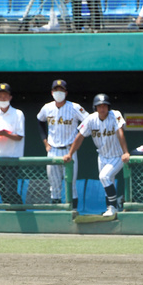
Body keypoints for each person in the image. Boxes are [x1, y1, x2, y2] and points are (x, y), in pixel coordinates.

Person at [63, 93, 130, 218]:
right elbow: (79, 137)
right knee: (107, 182)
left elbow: (120, 133)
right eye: (99, 106)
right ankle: (110, 208)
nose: (102, 108)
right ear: (95, 107)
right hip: (102, 156)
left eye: (105, 105)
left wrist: (125, 152)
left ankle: (113, 207)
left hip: (117, 155)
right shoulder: (91, 119)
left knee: (104, 177)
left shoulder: (115, 115)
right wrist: (70, 154)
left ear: (108, 107)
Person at [37, 79, 89, 208]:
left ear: (66, 92)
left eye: (61, 90)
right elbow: (40, 121)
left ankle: (73, 212)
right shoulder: (47, 107)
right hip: (53, 150)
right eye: (56, 90)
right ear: (52, 92)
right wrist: (45, 142)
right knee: (54, 186)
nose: (58, 92)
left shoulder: (75, 107)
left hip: (69, 149)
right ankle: (57, 214)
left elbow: (89, 121)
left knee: (71, 184)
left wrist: (78, 138)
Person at [0, 82, 25, 206]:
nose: (3, 98)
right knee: (2, 190)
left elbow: (19, 136)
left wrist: (5, 133)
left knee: (10, 190)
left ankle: (20, 211)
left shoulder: (18, 114)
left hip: (13, 157)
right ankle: (10, 213)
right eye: (0, 96)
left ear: (10, 97)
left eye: (5, 95)